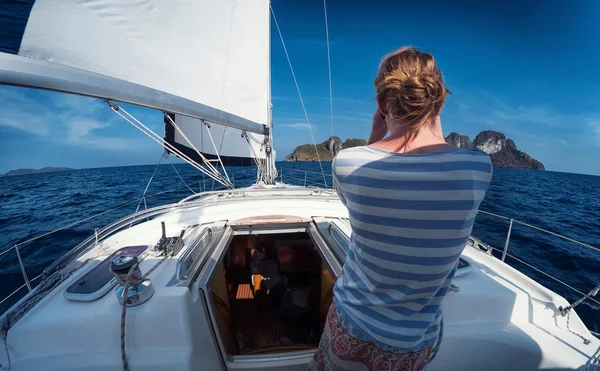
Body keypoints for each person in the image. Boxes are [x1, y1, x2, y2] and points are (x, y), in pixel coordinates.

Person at [308, 46, 493, 371]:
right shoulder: (477, 167)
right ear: (441, 100)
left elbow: (352, 199)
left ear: (381, 104)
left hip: (351, 321)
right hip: (412, 343)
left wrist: (375, 136)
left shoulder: (348, 163)